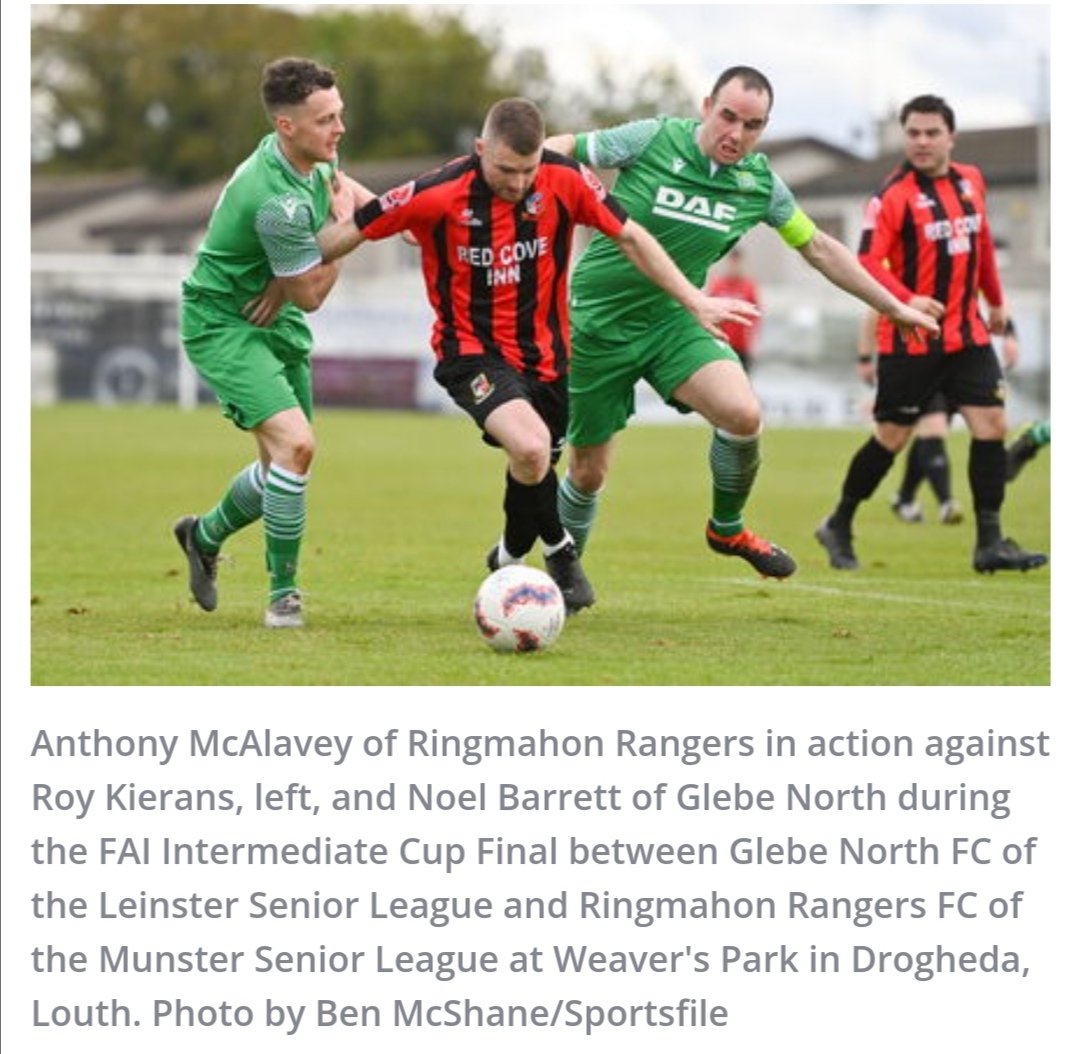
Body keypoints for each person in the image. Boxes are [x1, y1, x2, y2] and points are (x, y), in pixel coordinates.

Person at [315, 97, 750, 612]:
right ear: (480, 150)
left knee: (532, 467)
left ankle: (507, 557)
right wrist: (274, 265)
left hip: (548, 359)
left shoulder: (564, 178)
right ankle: (561, 551)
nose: (519, 183)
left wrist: (692, 298)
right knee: (529, 447)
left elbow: (631, 235)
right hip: (471, 353)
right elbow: (342, 234)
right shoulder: (436, 192)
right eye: (505, 169)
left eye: (528, 170)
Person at [543, 66, 938, 581]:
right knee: (588, 471)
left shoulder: (759, 184)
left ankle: (726, 529)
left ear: (764, 128)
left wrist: (892, 305)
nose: (736, 134)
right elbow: (564, 145)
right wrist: (483, 183)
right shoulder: (654, 138)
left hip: (675, 319)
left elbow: (819, 247)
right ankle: (562, 577)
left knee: (743, 415)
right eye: (728, 117)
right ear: (707, 106)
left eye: (752, 125)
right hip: (595, 325)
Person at [173, 57, 372, 628]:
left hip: (272, 317)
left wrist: (389, 213)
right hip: (224, 322)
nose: (339, 129)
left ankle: (203, 534)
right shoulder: (276, 202)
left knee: (281, 471)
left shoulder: (310, 156)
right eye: (325, 120)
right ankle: (283, 596)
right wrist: (350, 230)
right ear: (287, 126)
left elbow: (350, 190)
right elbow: (311, 293)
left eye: (339, 115)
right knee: (297, 448)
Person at [815, 94, 1046, 574]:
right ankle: (839, 522)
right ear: (905, 136)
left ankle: (990, 543)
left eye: (931, 132)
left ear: (950, 136)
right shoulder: (892, 195)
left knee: (992, 427)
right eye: (913, 133)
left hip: (967, 335)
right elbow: (865, 262)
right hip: (910, 341)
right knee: (892, 437)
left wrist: (997, 301)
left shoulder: (971, 181)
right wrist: (906, 300)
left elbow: (980, 245)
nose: (921, 141)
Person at [705, 245, 761, 372]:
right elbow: (707, 313)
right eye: (732, 262)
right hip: (723, 343)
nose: (735, 266)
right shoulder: (718, 285)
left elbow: (757, 317)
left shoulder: (749, 286)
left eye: (738, 262)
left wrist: (754, 343)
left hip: (742, 345)